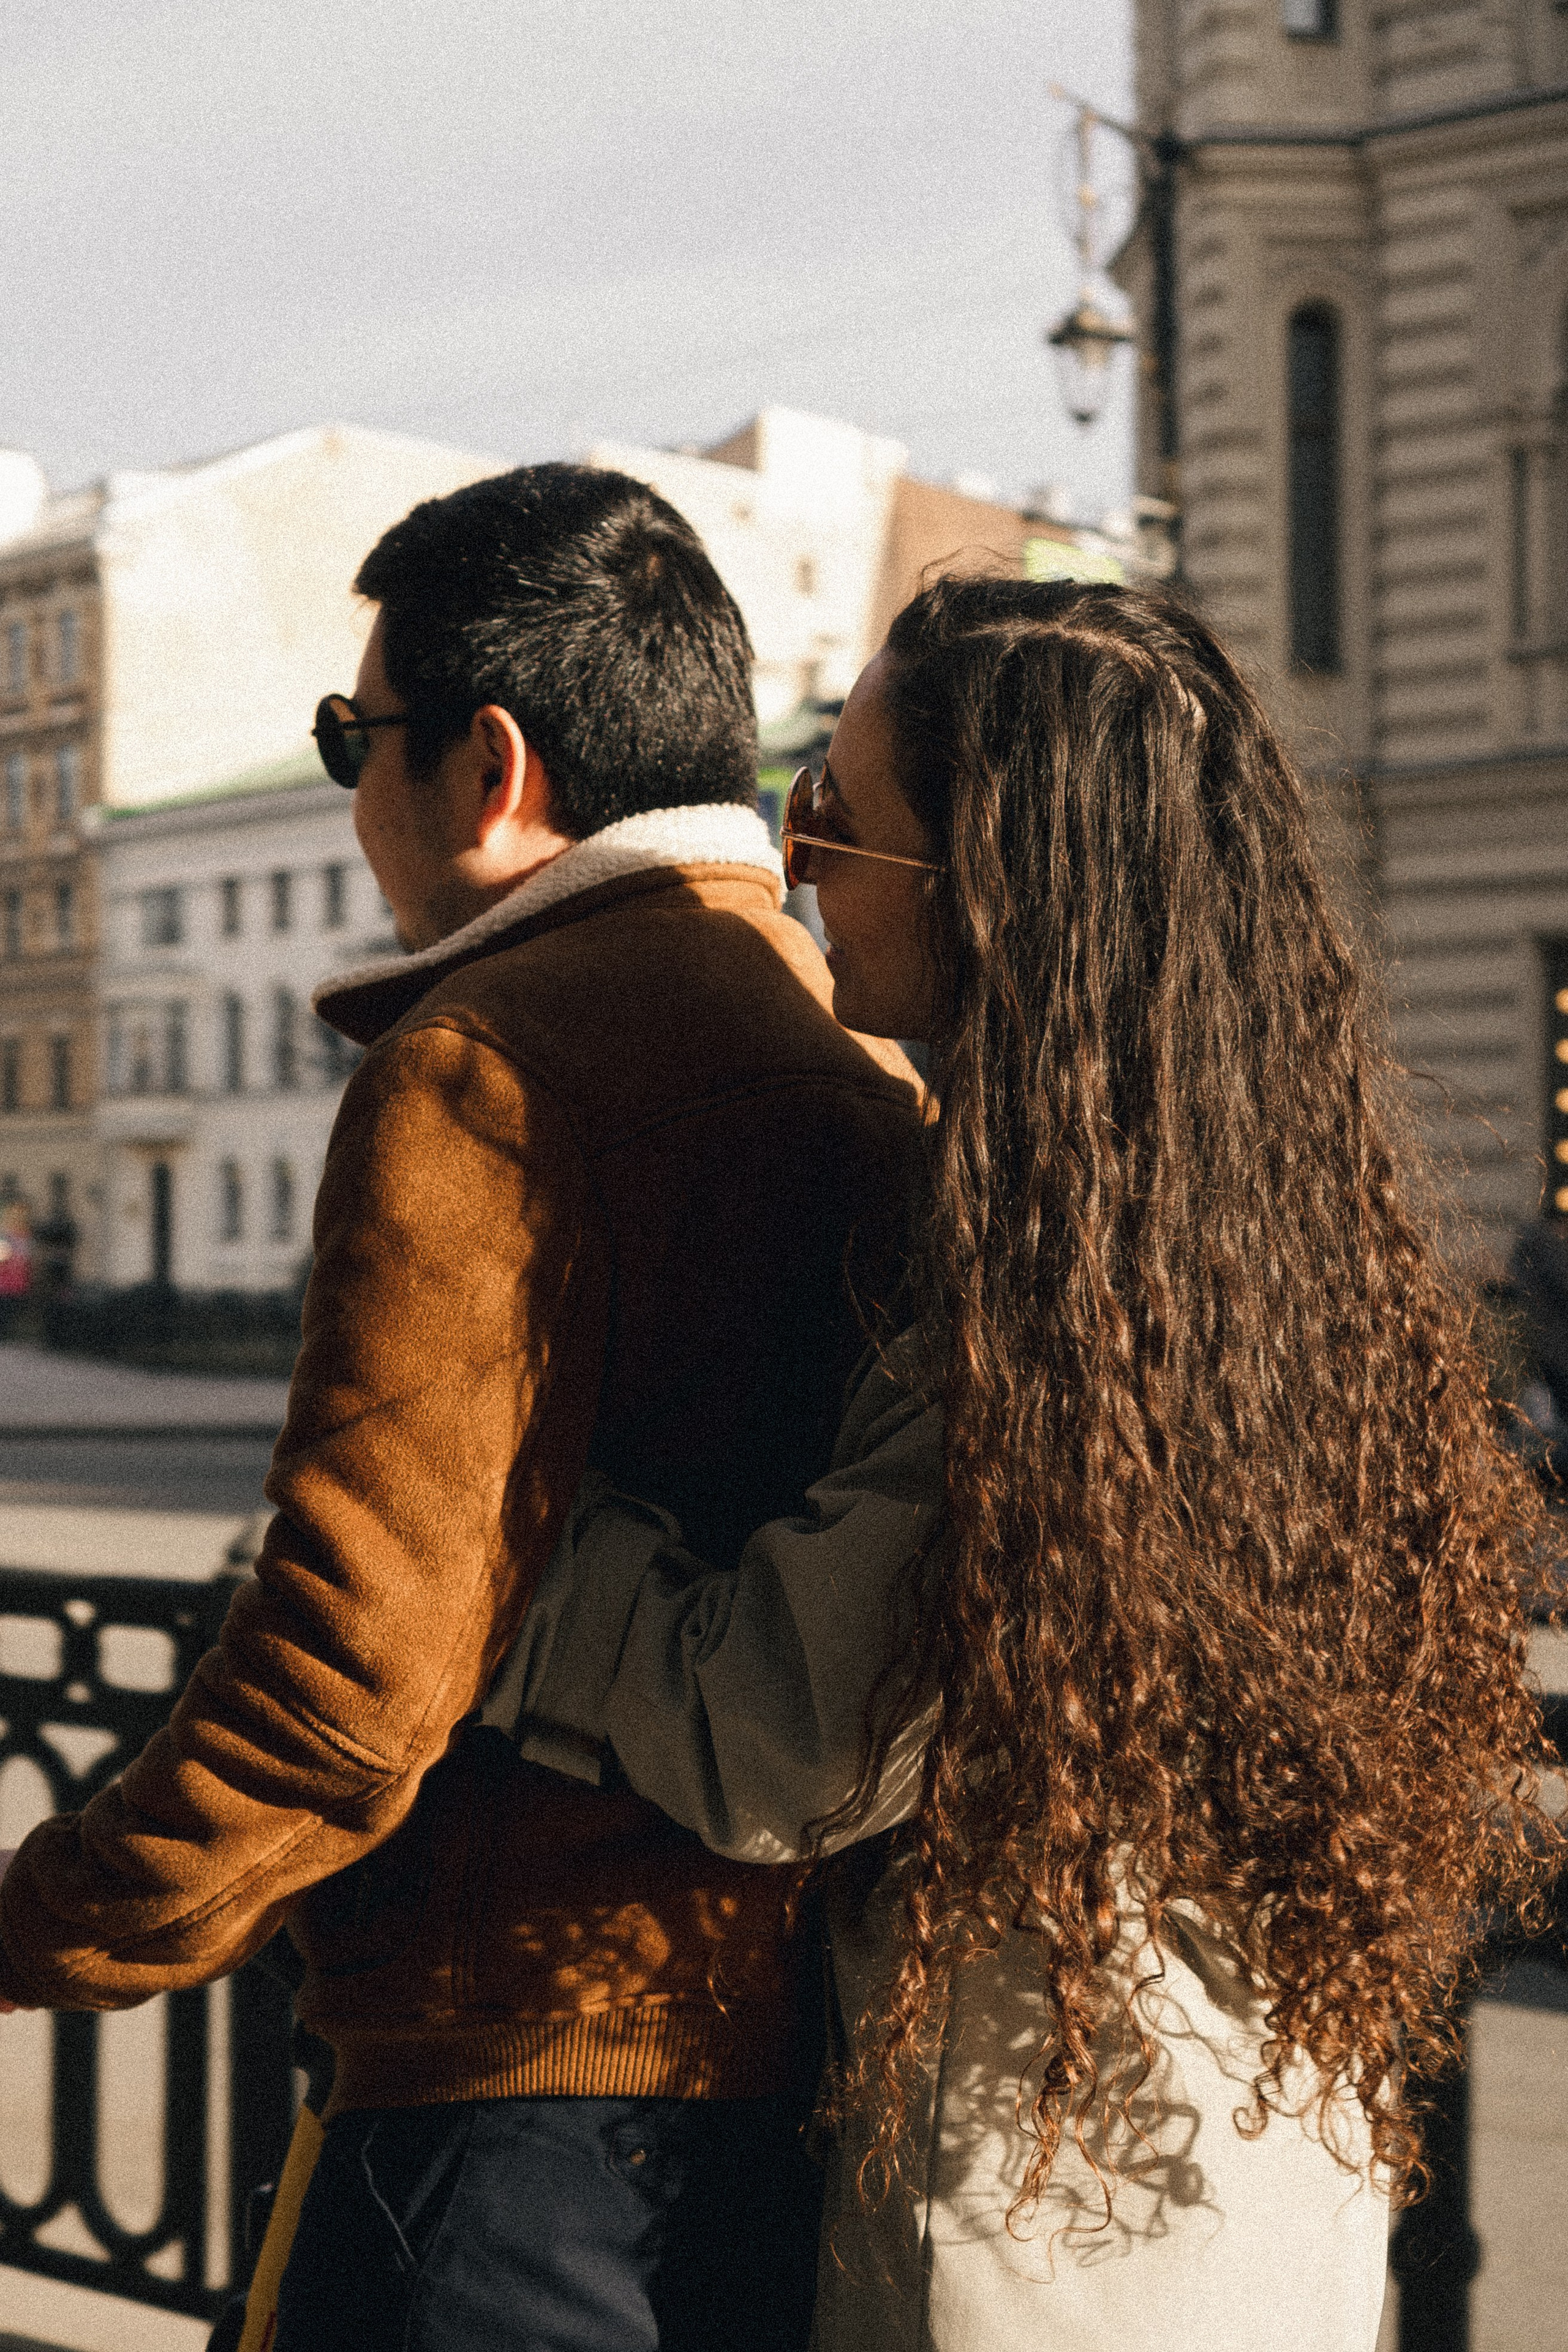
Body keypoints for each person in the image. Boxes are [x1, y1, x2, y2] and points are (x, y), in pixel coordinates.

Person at [489, 575, 1565, 2350]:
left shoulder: (1045, 1283)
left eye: (835, 809)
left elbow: (782, 1736)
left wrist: (519, 1531)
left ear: (995, 878)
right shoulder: (1272, 1230)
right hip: (1251, 2194)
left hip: (1035, 2239)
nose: (793, 854)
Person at [0, 464, 922, 2352]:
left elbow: (350, 1678)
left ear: (488, 767)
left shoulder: (484, 1060)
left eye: (357, 734)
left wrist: (55, 1919)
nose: (350, 789)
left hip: (505, 2109)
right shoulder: (845, 1056)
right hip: (777, 2081)